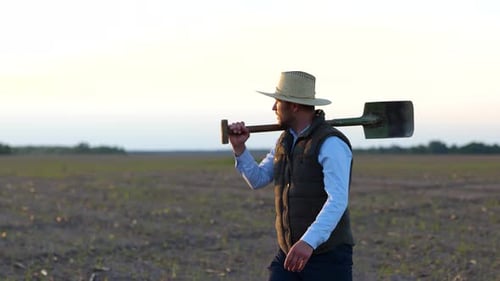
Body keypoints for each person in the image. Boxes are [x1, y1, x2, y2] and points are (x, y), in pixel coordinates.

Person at [228, 71, 354, 281]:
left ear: (293, 106)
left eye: (277, 102)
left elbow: (337, 200)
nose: (273, 108)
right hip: (289, 255)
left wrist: (308, 242)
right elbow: (257, 179)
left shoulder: (331, 144)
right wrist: (239, 148)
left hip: (327, 257)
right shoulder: (284, 141)